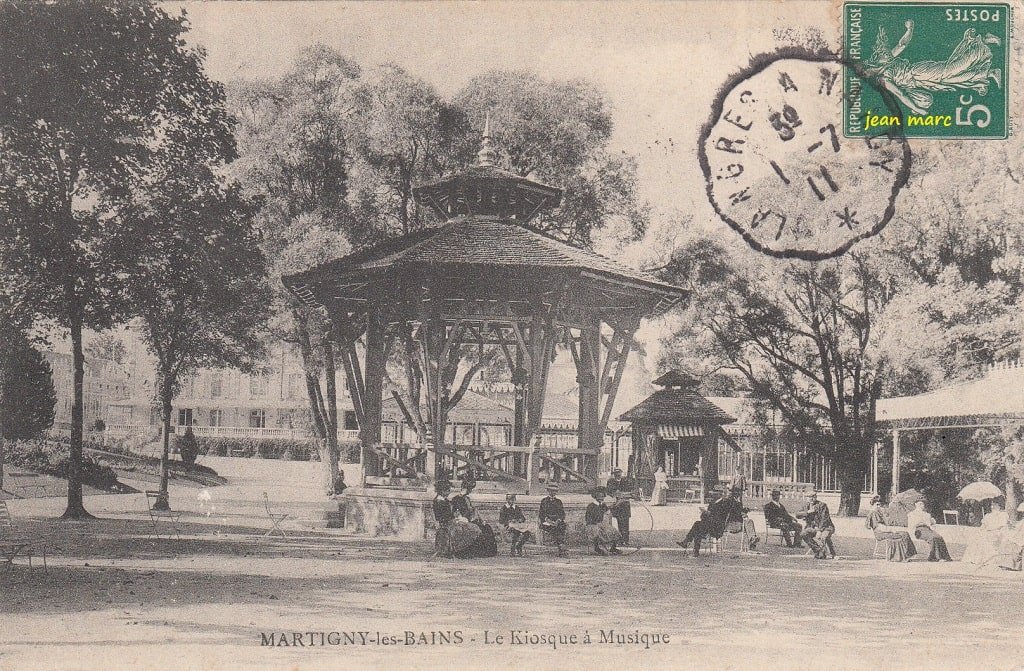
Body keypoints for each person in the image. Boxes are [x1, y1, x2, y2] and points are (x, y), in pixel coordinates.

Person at [866, 495, 917, 562]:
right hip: (880, 533)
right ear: (873, 504)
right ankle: (897, 557)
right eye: (877, 504)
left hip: (884, 531)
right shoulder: (873, 513)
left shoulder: (878, 512)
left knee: (905, 533)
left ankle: (906, 555)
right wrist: (893, 529)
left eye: (880, 505)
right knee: (901, 535)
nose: (879, 506)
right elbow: (880, 527)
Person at [962, 500, 1010, 565]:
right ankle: (974, 558)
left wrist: (991, 529)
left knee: (986, 538)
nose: (993, 506)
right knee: (976, 538)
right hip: (987, 531)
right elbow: (983, 526)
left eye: (995, 505)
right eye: (992, 505)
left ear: (999, 506)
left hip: (997, 532)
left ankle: (987, 560)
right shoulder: (988, 515)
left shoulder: (1003, 515)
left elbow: (1002, 526)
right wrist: (980, 530)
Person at [798, 491, 837, 559]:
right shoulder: (806, 506)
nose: (811, 499)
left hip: (826, 527)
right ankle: (817, 550)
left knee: (823, 536)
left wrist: (819, 530)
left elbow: (824, 519)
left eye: (813, 497)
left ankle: (831, 553)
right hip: (813, 528)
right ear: (806, 498)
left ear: (816, 497)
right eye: (809, 497)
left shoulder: (822, 505)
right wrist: (807, 512)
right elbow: (797, 515)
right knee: (803, 534)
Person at [584, 487, 621, 555]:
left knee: (613, 531)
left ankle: (613, 548)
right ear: (595, 496)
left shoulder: (603, 505)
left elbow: (609, 512)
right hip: (592, 524)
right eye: (599, 496)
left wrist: (615, 505)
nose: (601, 498)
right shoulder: (591, 506)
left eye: (603, 496)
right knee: (597, 531)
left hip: (601, 524)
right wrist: (597, 522)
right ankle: (597, 548)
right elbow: (588, 518)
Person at [539, 483, 568, 557]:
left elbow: (562, 514)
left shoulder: (559, 501)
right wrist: (549, 521)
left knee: (561, 526)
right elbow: (541, 514)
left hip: (557, 521)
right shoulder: (544, 501)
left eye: (555, 491)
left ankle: (561, 547)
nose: (553, 493)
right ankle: (561, 547)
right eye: (551, 491)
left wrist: (558, 520)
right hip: (546, 522)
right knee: (555, 528)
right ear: (548, 491)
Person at [605, 468, 634, 544]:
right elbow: (609, 491)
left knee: (626, 523)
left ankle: (626, 540)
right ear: (614, 474)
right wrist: (615, 494)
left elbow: (630, 491)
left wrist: (623, 494)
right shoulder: (611, 481)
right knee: (620, 522)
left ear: (621, 473)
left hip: (625, 504)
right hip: (617, 505)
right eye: (616, 473)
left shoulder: (626, 481)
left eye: (619, 473)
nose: (618, 475)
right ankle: (621, 539)